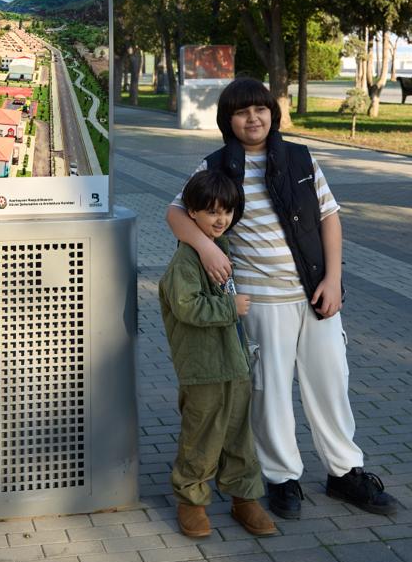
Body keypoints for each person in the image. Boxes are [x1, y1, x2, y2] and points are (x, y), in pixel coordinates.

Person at [166, 76, 397, 521]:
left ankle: (344, 472)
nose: (253, 118)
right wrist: (206, 247)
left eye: (260, 109)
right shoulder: (215, 166)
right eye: (241, 112)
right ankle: (282, 477)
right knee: (269, 391)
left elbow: (330, 218)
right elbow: (176, 211)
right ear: (228, 120)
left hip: (314, 294)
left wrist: (333, 279)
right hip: (261, 301)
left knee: (331, 382)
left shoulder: (300, 158)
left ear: (272, 114)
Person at [159, 169, 277, 539]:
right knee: (202, 436)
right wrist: (230, 308)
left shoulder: (221, 248)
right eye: (211, 211)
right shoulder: (186, 261)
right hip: (202, 368)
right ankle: (191, 499)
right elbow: (185, 306)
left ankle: (245, 497)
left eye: (226, 211)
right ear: (192, 213)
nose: (220, 218)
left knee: (239, 435)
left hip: (233, 364)